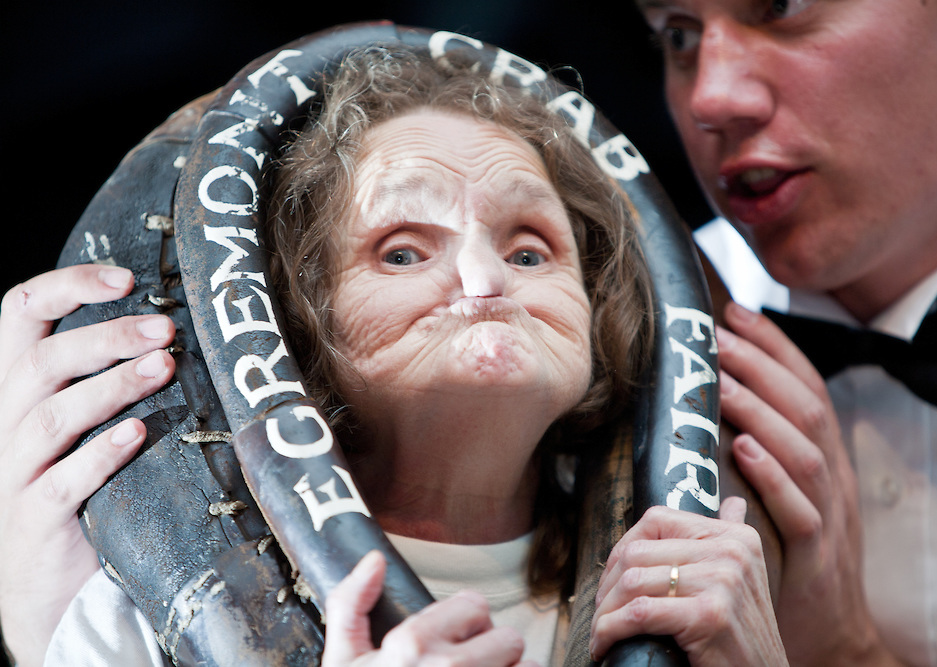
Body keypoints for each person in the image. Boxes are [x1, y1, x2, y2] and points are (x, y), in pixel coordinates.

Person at [0, 45, 786, 666]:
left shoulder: (722, 587)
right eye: (403, 253)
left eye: (530, 250)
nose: (485, 281)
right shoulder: (125, 616)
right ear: (297, 322)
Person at [634, 0, 937, 665]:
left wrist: (840, 651)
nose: (712, 99)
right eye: (679, 36)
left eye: (781, 6)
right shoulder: (629, 346)